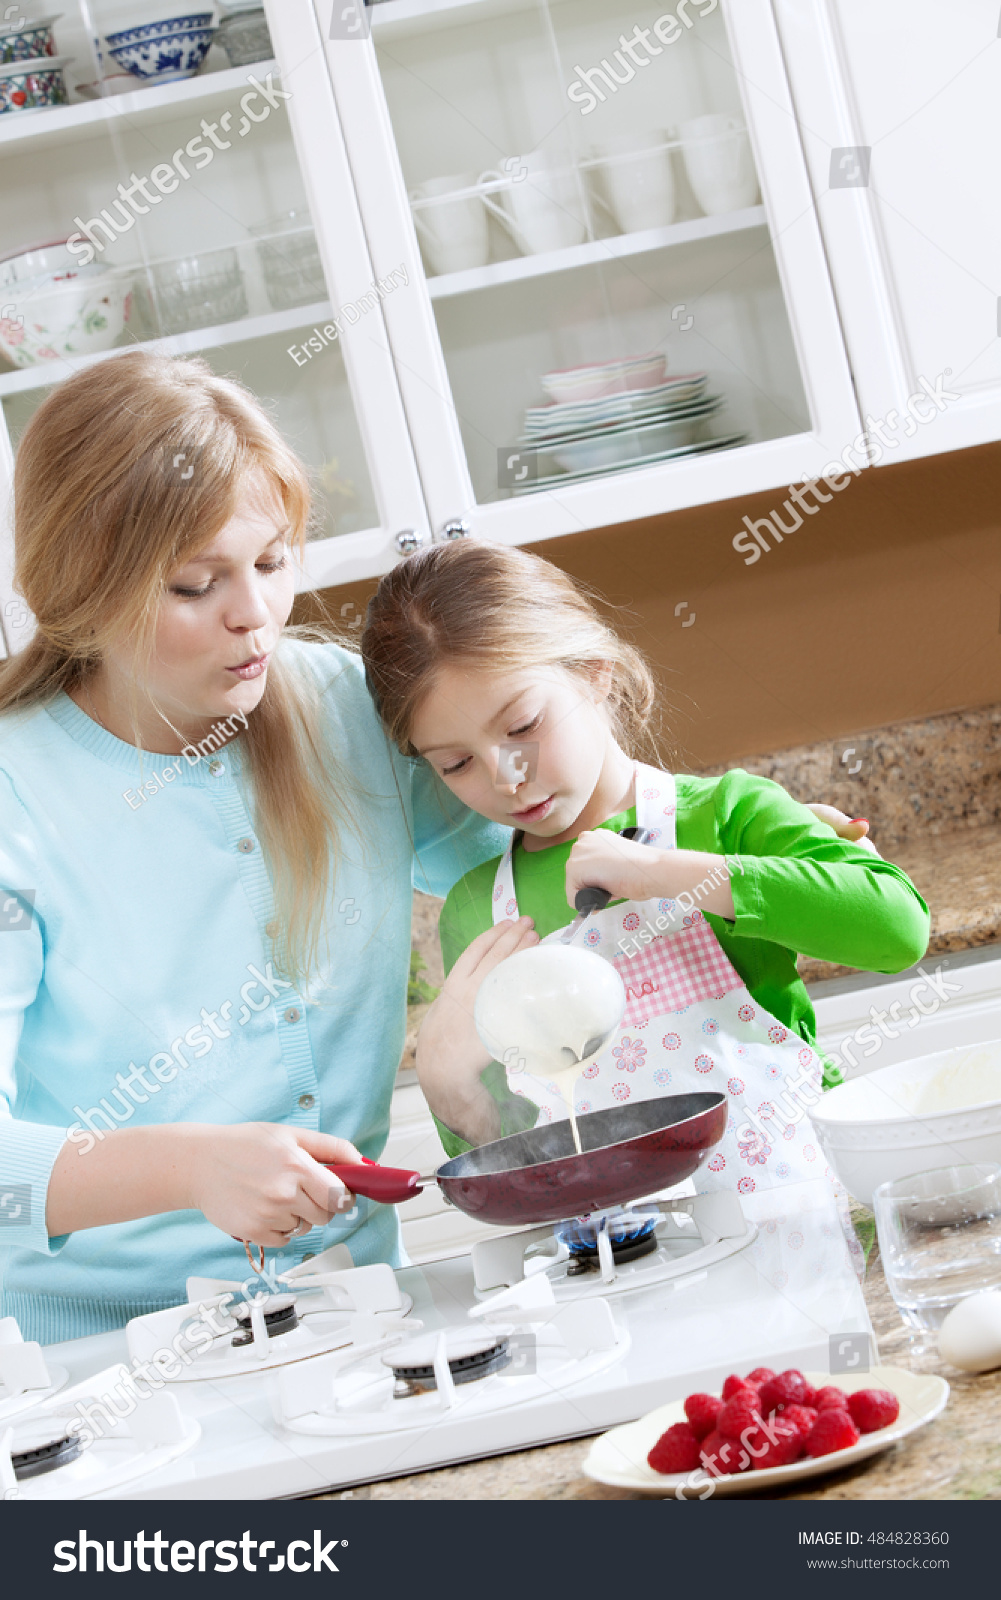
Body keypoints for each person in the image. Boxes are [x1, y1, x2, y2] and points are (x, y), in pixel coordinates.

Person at [0, 350, 509, 1344]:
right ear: (79, 591)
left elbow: (525, 866)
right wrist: (190, 1165)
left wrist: (723, 837)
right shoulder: (16, 794)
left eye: (272, 563)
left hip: (365, 1316)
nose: (255, 616)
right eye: (196, 584)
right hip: (93, 1362)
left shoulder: (342, 709)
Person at [361, 540, 931, 1191]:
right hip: (626, 1271)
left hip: (806, 1230)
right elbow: (524, 1173)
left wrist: (668, 872)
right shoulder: (476, 909)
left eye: (521, 725)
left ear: (595, 673)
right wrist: (450, 1087)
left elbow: (896, 933)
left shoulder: (724, 814)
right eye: (455, 763)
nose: (506, 778)